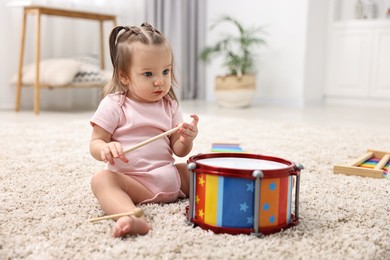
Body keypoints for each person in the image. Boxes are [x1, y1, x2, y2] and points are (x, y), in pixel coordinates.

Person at [89, 22, 199, 237]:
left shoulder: (169, 105)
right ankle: (130, 215)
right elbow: (95, 142)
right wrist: (105, 148)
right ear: (124, 76)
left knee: (197, 167)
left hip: (172, 179)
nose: (160, 81)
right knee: (102, 179)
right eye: (148, 74)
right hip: (135, 183)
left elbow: (179, 150)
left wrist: (186, 139)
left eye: (165, 71)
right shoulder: (114, 105)